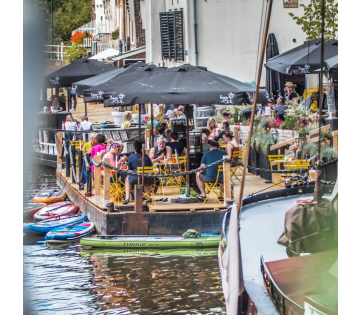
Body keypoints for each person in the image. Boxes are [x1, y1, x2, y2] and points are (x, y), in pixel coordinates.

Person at [123, 140, 153, 204]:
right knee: (145, 179)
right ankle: (148, 198)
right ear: (141, 148)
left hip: (136, 179)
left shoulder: (131, 157)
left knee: (127, 179)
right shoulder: (147, 156)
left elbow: (130, 170)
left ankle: (127, 198)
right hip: (149, 178)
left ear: (134, 148)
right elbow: (151, 166)